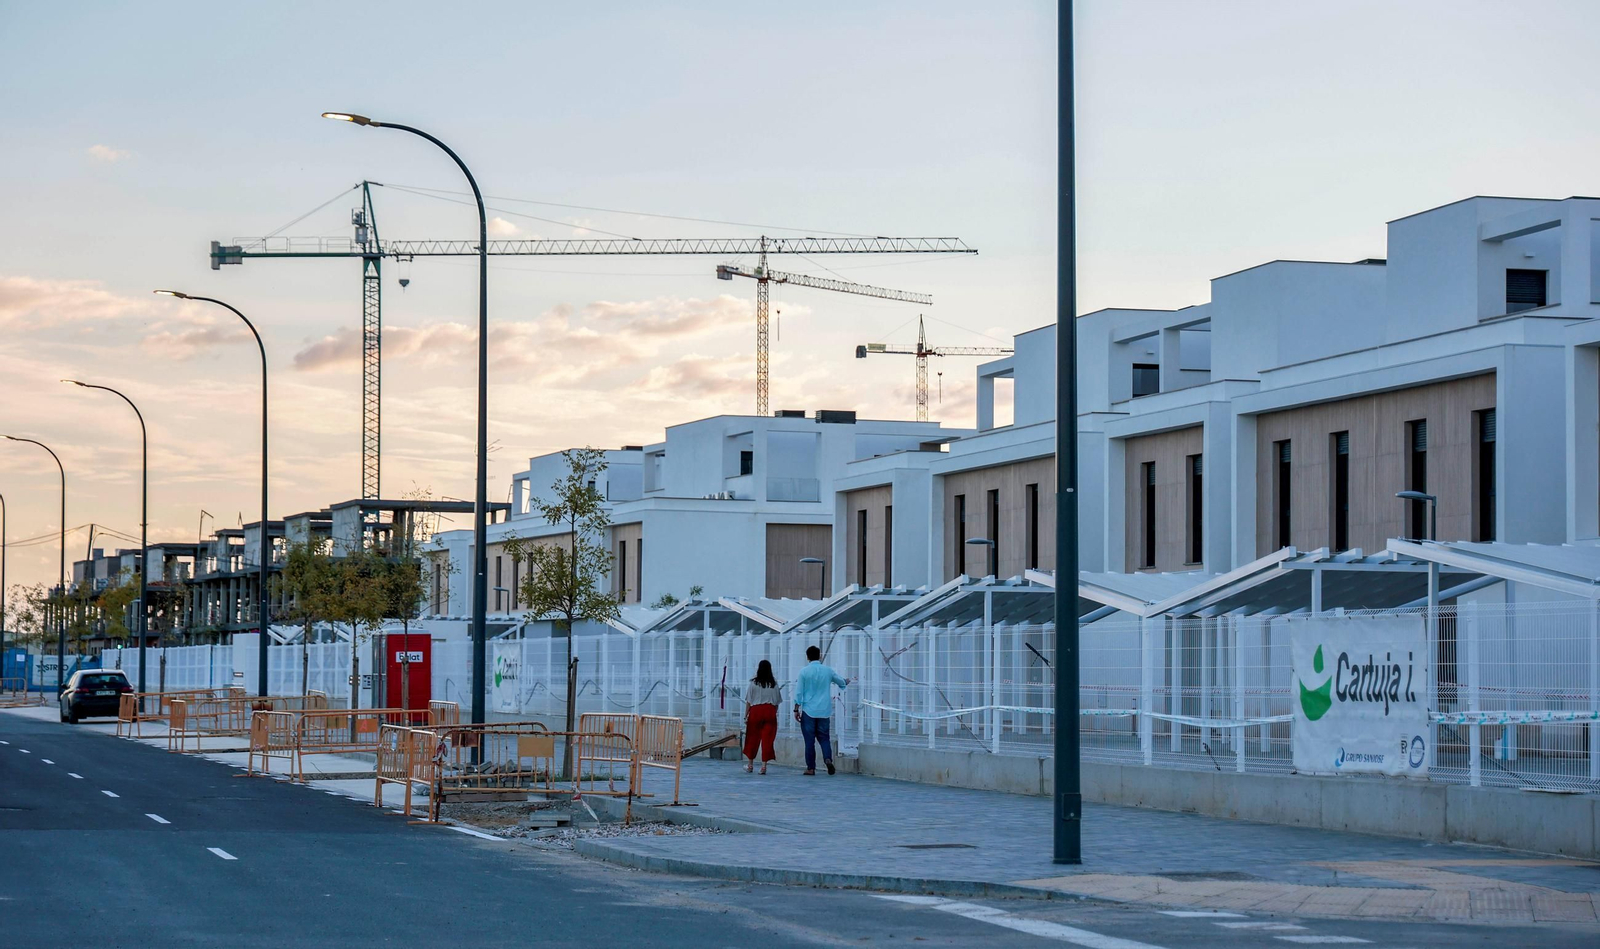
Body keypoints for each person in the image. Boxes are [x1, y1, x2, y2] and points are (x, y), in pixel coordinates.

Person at [793, 644, 849, 775]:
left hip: (808, 711)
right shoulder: (828, 670)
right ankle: (828, 759)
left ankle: (811, 768)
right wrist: (846, 681)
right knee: (824, 738)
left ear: (807, 657)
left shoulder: (804, 672)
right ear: (820, 656)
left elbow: (799, 693)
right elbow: (841, 682)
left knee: (809, 741)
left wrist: (796, 709)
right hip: (824, 710)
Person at [742, 660, 781, 774]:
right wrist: (774, 712)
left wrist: (746, 716)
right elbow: (777, 701)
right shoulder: (774, 683)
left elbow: (749, 701)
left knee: (752, 738)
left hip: (756, 711)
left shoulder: (753, 683)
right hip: (769, 711)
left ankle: (750, 765)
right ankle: (764, 766)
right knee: (767, 739)